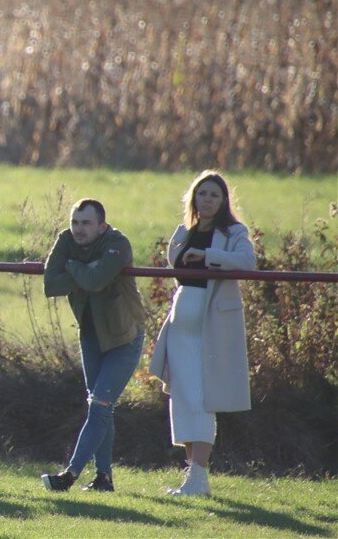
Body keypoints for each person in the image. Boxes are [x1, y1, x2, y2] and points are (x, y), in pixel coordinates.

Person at [149, 170, 256, 496]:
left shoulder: (234, 232)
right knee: (182, 399)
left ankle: (200, 477)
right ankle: (193, 478)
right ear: (193, 198)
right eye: (202, 194)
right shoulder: (184, 232)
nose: (207, 200)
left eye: (214, 195)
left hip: (212, 327)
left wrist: (209, 256)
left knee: (202, 399)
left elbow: (248, 263)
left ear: (224, 200)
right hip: (181, 326)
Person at [41, 199, 147, 492]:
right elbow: (50, 285)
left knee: (99, 405)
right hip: (91, 336)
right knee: (101, 408)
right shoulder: (66, 240)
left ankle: (70, 475)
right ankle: (104, 478)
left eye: (86, 223)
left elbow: (98, 281)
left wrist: (72, 267)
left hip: (124, 337)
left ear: (102, 226)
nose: (78, 229)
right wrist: (84, 270)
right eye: (75, 222)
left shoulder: (118, 244)